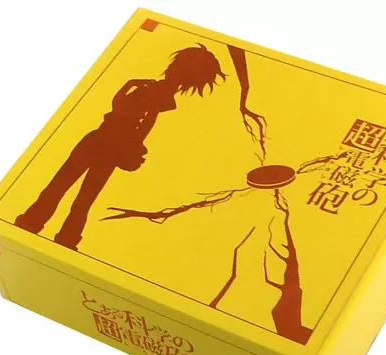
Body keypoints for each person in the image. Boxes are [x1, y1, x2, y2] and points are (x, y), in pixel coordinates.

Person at [14, 44, 227, 250]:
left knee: (67, 190)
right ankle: (61, 235)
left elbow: (132, 115)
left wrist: (129, 91)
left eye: (179, 68)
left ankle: (37, 225)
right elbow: (133, 116)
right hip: (107, 143)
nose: (172, 70)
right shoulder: (158, 90)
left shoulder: (160, 93)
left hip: (105, 142)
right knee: (78, 195)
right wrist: (129, 88)